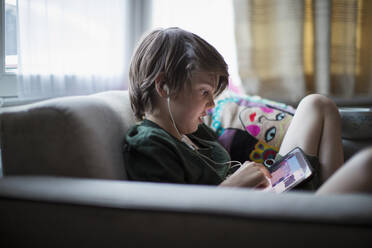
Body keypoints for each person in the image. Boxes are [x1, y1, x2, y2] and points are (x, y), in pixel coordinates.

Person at [123, 27, 372, 194]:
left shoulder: (194, 133)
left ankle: (326, 212)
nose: (211, 105)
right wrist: (234, 185)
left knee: (318, 104)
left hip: (266, 197)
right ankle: (328, 219)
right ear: (163, 86)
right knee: (366, 166)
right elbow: (172, 224)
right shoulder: (149, 144)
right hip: (250, 220)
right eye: (204, 92)